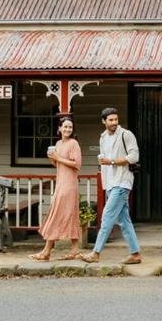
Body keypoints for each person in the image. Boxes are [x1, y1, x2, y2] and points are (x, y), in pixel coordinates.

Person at [83, 107, 141, 265]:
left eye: (116, 119)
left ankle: (95, 253)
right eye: (111, 120)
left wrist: (112, 161)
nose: (114, 122)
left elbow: (134, 156)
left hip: (122, 182)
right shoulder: (102, 137)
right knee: (124, 220)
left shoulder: (126, 134)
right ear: (104, 121)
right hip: (110, 182)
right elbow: (104, 161)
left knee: (107, 216)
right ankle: (135, 254)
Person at [30, 117, 84, 261]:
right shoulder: (58, 144)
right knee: (69, 214)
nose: (68, 130)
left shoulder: (74, 144)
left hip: (69, 184)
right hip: (61, 181)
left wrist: (58, 158)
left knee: (57, 214)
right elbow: (58, 164)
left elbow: (77, 164)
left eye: (70, 127)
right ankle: (74, 249)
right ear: (59, 128)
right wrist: (52, 158)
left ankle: (46, 251)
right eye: (65, 127)